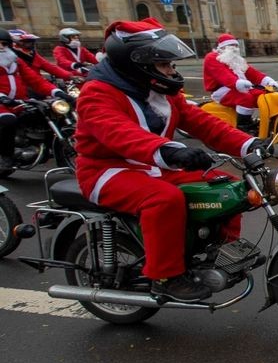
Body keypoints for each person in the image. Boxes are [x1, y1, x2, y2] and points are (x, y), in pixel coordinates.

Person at [74, 18, 267, 302]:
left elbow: (200, 122)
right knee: (164, 199)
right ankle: (166, 276)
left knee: (225, 186)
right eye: (164, 65)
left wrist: (248, 143)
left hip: (154, 165)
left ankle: (220, 251)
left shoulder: (159, 90)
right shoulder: (97, 93)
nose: (171, 70)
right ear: (137, 63)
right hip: (107, 170)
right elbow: (119, 133)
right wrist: (171, 151)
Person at [0, 32, 72, 169]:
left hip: (19, 101)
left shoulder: (15, 60)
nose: (1, 47)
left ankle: (52, 149)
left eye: (4, 44)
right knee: (8, 120)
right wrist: (1, 97)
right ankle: (6, 155)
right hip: (2, 104)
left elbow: (35, 80)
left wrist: (58, 92)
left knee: (50, 112)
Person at [202, 33, 278, 134]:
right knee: (246, 98)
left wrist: (267, 81)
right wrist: (238, 83)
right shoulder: (212, 57)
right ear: (222, 47)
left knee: (263, 95)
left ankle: (267, 122)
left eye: (236, 46)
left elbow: (252, 73)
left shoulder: (236, 60)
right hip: (222, 90)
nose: (234, 48)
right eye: (231, 46)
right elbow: (224, 75)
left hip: (240, 87)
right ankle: (243, 127)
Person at [10, 30, 80, 81]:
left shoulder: (32, 54)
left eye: (31, 42)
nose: (30, 44)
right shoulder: (11, 58)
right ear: (14, 44)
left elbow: (49, 67)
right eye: (26, 42)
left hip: (38, 84)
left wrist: (70, 76)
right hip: (22, 86)